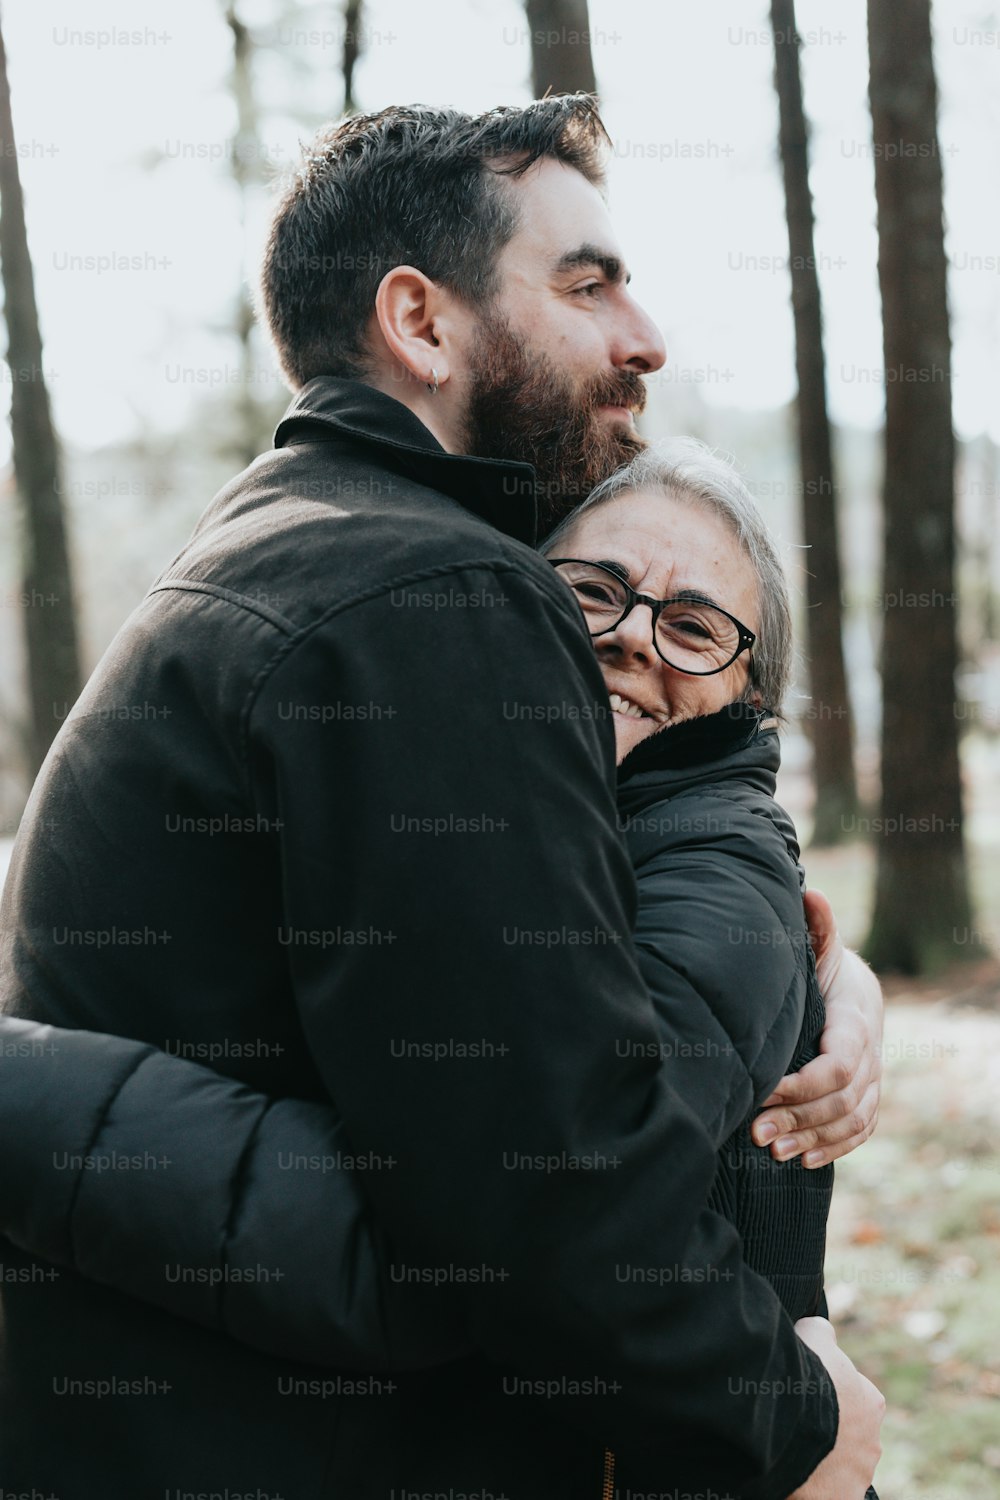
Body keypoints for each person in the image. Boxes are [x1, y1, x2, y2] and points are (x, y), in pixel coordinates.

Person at [0, 98, 882, 1498]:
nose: (644, 335)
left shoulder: (283, 546)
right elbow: (550, 1190)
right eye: (587, 282)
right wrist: (796, 1423)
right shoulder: (434, 594)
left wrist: (819, 961)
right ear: (421, 321)